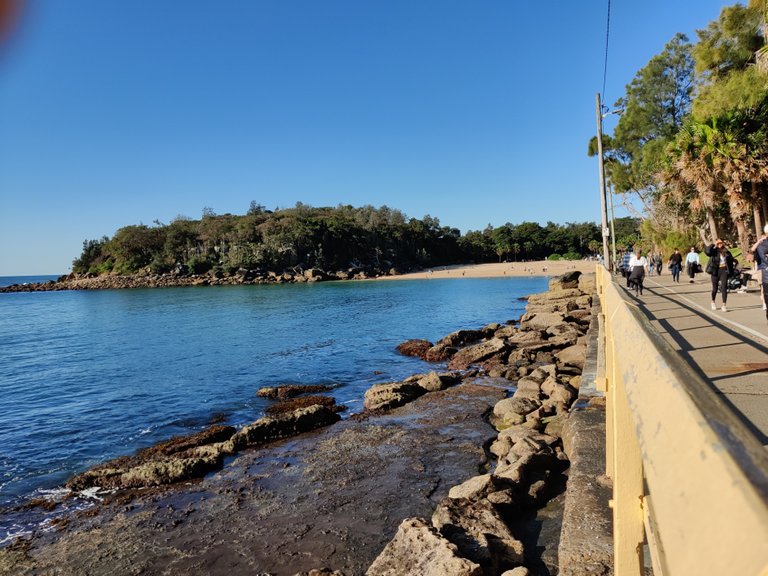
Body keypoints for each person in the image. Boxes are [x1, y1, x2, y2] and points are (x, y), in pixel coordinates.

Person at [704, 239, 735, 312]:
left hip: (724, 270)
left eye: (721, 243)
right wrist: (713, 245)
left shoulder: (726, 251)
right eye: (718, 243)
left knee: (724, 287)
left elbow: (730, 259)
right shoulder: (714, 251)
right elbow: (707, 252)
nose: (720, 244)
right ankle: (713, 301)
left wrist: (733, 260)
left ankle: (724, 305)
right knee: (715, 288)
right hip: (715, 270)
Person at [751, 224, 768, 318]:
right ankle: (765, 302)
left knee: (763, 288)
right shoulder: (760, 246)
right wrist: (758, 242)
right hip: (762, 269)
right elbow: (752, 250)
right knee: (762, 287)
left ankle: (765, 302)